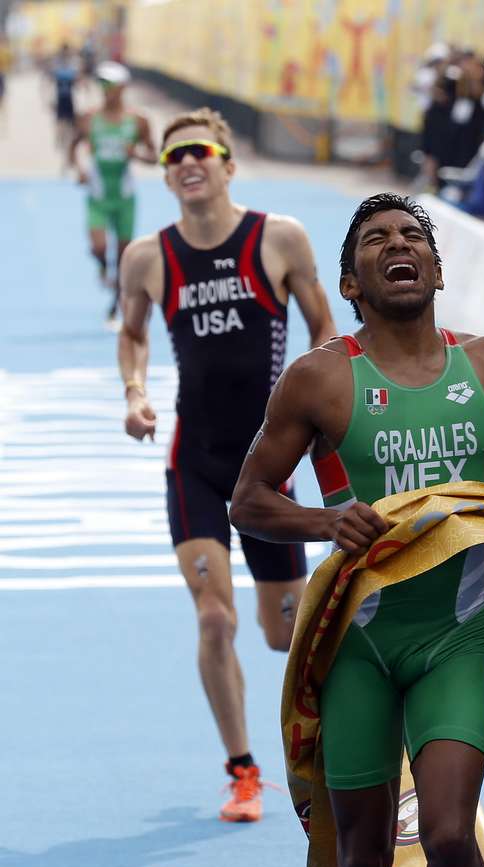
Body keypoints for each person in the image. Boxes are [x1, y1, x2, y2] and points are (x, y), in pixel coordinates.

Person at [229, 193, 484, 867]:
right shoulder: (319, 379)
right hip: (356, 643)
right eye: (375, 239)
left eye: (412, 236)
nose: (396, 244)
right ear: (351, 284)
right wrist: (325, 520)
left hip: (458, 633)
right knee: (363, 856)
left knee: (447, 833)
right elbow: (247, 502)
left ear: (436, 271)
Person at [118, 107, 336, 822]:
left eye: (200, 152)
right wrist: (136, 394)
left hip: (266, 470)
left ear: (227, 163)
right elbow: (133, 333)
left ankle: (344, 748)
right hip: (197, 464)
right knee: (215, 619)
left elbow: (323, 324)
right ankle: (243, 772)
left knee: (288, 634)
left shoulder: (278, 238)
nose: (187, 163)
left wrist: (322, 403)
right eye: (172, 155)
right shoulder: (149, 256)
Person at [70, 61, 156, 327]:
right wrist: (80, 169)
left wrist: (137, 155)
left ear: (123, 88)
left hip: (124, 197)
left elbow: (155, 156)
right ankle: (102, 267)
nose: (105, 90)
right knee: (99, 247)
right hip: (98, 195)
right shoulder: (89, 118)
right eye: (102, 85)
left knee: (123, 256)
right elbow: (74, 146)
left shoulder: (138, 120)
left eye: (110, 85)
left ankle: (114, 305)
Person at [48, 43, 80, 163]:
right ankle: (60, 139)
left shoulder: (71, 65)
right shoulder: (59, 66)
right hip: (60, 98)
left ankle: (70, 143)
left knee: (70, 123)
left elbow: (77, 81)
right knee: (60, 121)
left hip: (69, 98)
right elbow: (51, 82)